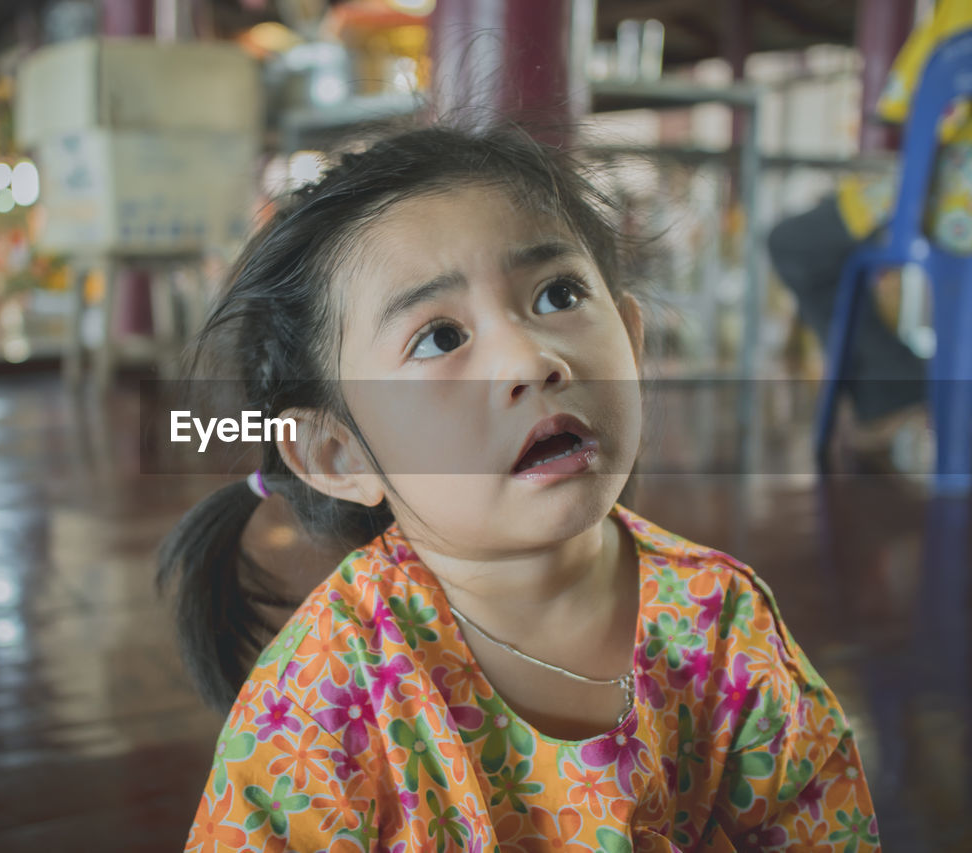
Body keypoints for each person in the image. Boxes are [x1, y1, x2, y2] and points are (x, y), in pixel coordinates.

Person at [158, 124, 878, 851]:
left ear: (630, 340)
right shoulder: (323, 692)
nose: (530, 358)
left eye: (556, 293)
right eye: (439, 336)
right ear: (339, 453)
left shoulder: (721, 625)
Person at [768, 0, 972, 454]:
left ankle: (895, 389)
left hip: (956, 196)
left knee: (795, 242)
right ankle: (894, 388)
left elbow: (923, 108)